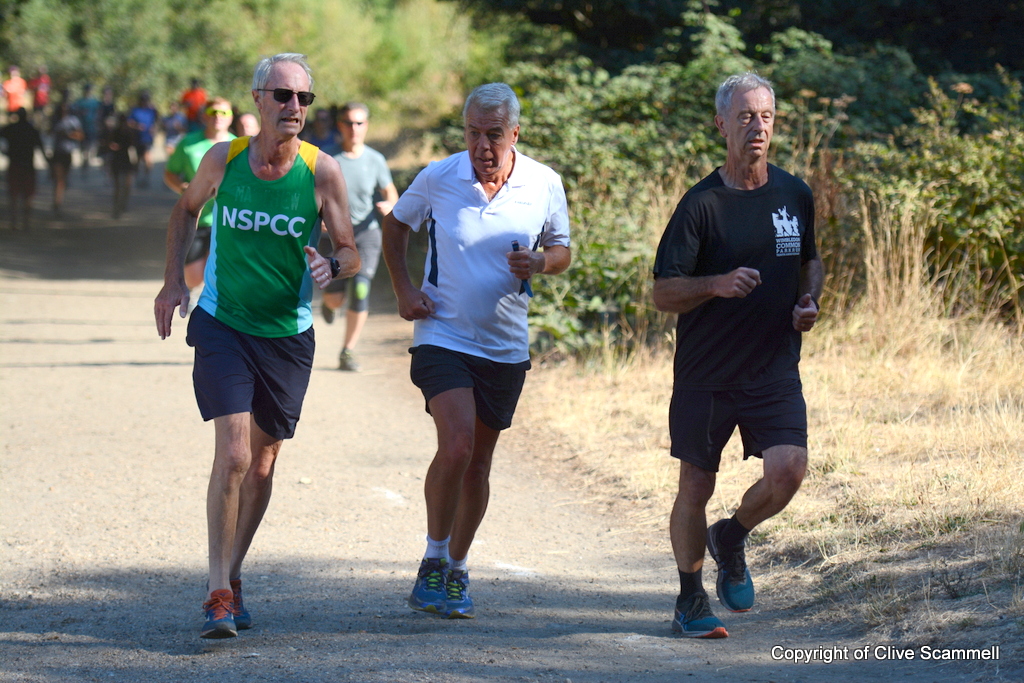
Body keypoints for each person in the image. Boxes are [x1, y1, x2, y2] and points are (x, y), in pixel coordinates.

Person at [153, 53, 359, 639]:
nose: (294, 108)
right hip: (223, 323)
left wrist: (333, 265)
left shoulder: (321, 173)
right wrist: (173, 281)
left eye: (303, 100)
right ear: (258, 100)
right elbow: (185, 211)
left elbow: (350, 249)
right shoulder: (226, 159)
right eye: (283, 96)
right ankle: (218, 592)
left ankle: (233, 574)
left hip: (288, 334)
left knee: (265, 463)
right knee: (237, 453)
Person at [382, 82, 571, 619]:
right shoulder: (440, 177)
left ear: (515, 133)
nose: (482, 146)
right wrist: (403, 290)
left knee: (479, 465)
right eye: (472, 133)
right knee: (458, 442)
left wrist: (541, 263)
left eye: (493, 134)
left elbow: (562, 250)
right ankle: (433, 560)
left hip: (506, 345)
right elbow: (395, 227)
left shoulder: (543, 183)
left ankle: (459, 569)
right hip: (443, 335)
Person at [651, 72, 824, 639]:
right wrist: (717, 283)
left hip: (774, 366)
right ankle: (688, 598)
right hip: (707, 374)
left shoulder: (794, 194)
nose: (758, 126)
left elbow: (810, 262)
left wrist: (809, 300)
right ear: (721, 124)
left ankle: (732, 534)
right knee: (695, 488)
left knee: (789, 471)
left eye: (766, 117)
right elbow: (663, 292)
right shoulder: (702, 205)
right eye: (746, 116)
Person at [319, 102, 398, 371]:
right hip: (332, 238)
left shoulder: (375, 160)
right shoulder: (325, 158)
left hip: (367, 234)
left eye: (360, 123)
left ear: (367, 126)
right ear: (339, 126)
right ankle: (330, 305)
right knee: (334, 297)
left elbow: (390, 193)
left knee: (361, 288)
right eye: (349, 123)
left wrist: (390, 207)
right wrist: (318, 220)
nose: (354, 129)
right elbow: (309, 197)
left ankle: (347, 351)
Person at [163, 97, 235, 290]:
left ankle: (209, 308)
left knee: (218, 272)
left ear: (231, 118)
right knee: (193, 277)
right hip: (196, 217)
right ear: (204, 116)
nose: (218, 117)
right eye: (213, 113)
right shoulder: (188, 143)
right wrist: (181, 188)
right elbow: (170, 173)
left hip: (226, 221)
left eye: (224, 113)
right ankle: (197, 295)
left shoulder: (240, 147)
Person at [0, 107, 46, 230]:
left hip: (14, 165)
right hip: (28, 166)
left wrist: (5, 152)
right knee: (28, 195)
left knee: (13, 195)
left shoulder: (10, 129)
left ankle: (14, 221)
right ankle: (26, 222)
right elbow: (40, 147)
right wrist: (48, 161)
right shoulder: (32, 130)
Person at [49, 101, 83, 214]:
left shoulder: (73, 121)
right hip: (57, 153)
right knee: (58, 180)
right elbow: (49, 132)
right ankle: (57, 202)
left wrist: (68, 134)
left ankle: (58, 200)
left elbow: (80, 135)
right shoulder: (55, 120)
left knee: (62, 179)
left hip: (67, 153)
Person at [107, 112, 136, 218]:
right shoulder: (120, 132)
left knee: (120, 186)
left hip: (121, 161)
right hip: (121, 161)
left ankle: (120, 205)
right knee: (120, 186)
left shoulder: (125, 132)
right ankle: (119, 206)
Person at [128, 91, 158, 187]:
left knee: (147, 158)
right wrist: (137, 126)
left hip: (148, 138)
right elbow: (129, 122)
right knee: (138, 159)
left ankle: (146, 177)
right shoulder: (135, 110)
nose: (144, 102)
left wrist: (154, 129)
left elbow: (157, 121)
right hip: (137, 138)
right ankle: (138, 177)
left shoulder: (152, 110)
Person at [72, 84, 101, 171]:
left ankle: (87, 157)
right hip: (82, 127)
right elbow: (75, 113)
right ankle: (84, 158)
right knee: (82, 144)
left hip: (91, 127)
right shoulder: (79, 102)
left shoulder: (95, 102)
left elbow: (99, 113)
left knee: (90, 144)